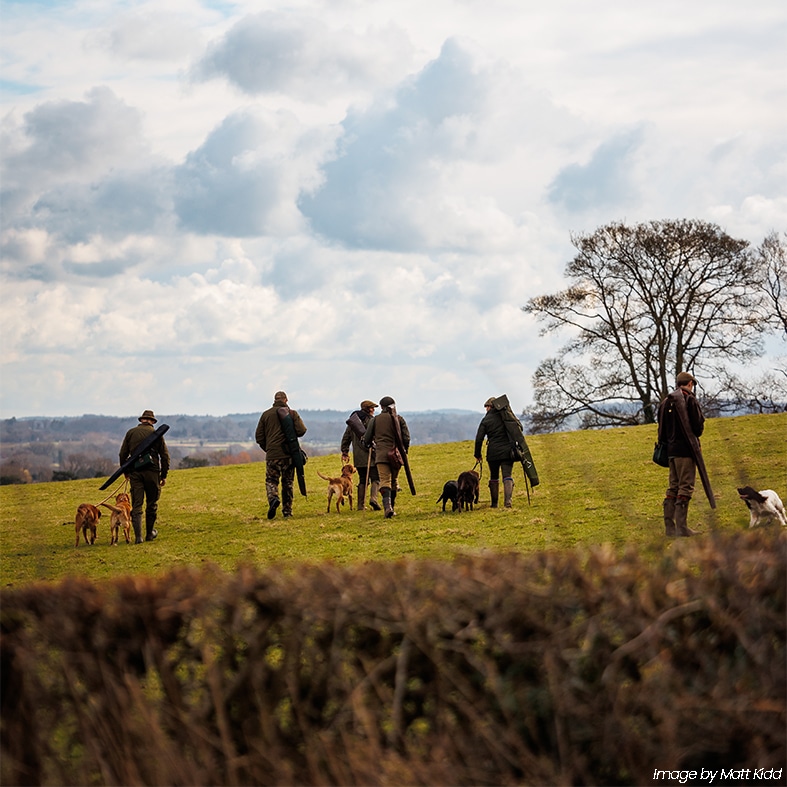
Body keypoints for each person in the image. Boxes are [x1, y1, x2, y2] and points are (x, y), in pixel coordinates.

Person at [657, 371, 704, 537]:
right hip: (685, 451)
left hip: (670, 451)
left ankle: (670, 527)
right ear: (690, 383)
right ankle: (682, 528)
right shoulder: (689, 400)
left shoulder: (665, 401)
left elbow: (661, 428)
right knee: (685, 487)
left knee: (673, 487)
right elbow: (698, 428)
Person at [119, 409, 170, 543]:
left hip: (135, 473)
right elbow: (165, 457)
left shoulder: (130, 433)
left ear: (141, 420)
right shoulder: (156, 434)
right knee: (152, 504)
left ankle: (138, 537)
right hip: (153, 473)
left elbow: (122, 454)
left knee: (137, 505)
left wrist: (126, 471)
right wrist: (163, 475)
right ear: (152, 422)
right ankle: (149, 534)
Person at [255, 391, 307, 520]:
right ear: (286, 400)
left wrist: (268, 449)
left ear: (274, 400)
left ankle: (273, 498)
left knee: (271, 480)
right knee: (288, 483)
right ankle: (287, 511)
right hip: (289, 455)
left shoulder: (265, 415)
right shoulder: (292, 413)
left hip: (273, 455)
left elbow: (259, 437)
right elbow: (302, 431)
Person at [363, 396, 410, 518]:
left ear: (382, 407)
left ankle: (387, 508)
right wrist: (405, 451)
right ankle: (391, 508)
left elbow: (367, 438)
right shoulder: (399, 419)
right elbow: (406, 437)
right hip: (396, 456)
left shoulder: (375, 420)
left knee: (385, 480)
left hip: (381, 455)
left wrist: (368, 444)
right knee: (393, 481)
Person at [474, 397, 515, 508]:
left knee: (494, 477)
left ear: (490, 407)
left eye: (486, 407)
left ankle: (494, 504)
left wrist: (477, 455)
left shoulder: (485, 420)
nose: (486, 409)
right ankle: (508, 502)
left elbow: (479, 439)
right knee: (507, 476)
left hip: (493, 453)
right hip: (507, 452)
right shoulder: (506, 417)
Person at [341, 400, 381, 511]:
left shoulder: (353, 423)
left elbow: (346, 438)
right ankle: (374, 499)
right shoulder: (371, 421)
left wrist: (345, 451)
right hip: (371, 456)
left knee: (363, 480)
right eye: (372, 408)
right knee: (376, 478)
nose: (374, 410)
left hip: (358, 458)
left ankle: (360, 506)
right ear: (368, 409)